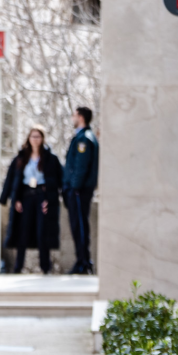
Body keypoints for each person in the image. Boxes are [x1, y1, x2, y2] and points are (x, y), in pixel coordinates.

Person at [0, 127, 63, 274]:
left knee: (43, 232)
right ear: (28, 138)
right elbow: (12, 179)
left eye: (38, 136)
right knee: (23, 231)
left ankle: (45, 268)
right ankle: (18, 267)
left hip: (42, 196)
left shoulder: (50, 158)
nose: (35, 139)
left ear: (42, 139)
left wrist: (50, 200)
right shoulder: (21, 157)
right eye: (32, 136)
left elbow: (57, 181)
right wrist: (14, 199)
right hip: (26, 197)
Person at [63, 106, 98, 274]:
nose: (72, 118)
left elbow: (81, 166)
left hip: (79, 190)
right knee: (78, 226)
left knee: (80, 226)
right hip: (78, 189)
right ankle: (82, 260)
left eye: (74, 115)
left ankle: (83, 262)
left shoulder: (84, 139)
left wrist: (74, 187)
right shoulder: (82, 137)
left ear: (81, 117)